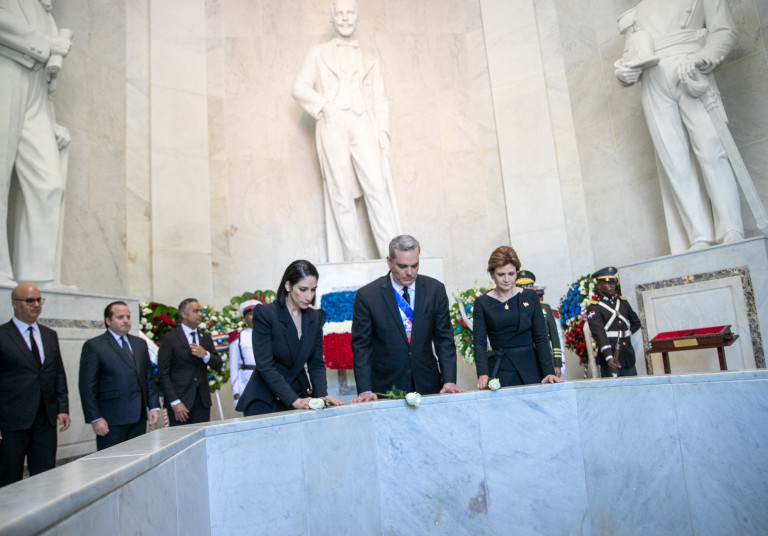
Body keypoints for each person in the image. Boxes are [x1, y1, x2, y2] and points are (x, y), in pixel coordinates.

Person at [614, 0, 745, 249]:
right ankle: (699, 235)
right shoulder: (636, 12)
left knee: (712, 151)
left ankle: (730, 228)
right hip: (652, 80)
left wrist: (702, 58)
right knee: (674, 162)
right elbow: (632, 54)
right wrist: (624, 73)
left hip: (690, 70)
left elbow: (724, 30)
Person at [292, 0, 401, 262]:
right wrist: (325, 107)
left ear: (357, 18)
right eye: (339, 13)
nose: (344, 18)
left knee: (377, 187)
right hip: (333, 123)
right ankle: (355, 258)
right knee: (340, 192)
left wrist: (383, 132)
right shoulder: (317, 53)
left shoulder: (370, 60)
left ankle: (395, 258)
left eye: (349, 13)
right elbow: (299, 87)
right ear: (333, 18)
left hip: (363, 123)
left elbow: (380, 99)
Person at [0, 0, 73, 286]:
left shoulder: (46, 13)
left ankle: (37, 278)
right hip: (5, 67)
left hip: (37, 88)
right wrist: (47, 44)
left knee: (49, 183)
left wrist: (51, 121)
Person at [350, 235, 465, 402]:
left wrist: (449, 380)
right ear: (389, 262)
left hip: (428, 384)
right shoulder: (368, 296)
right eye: (402, 266)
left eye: (414, 265)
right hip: (386, 387)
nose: (410, 272)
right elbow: (362, 347)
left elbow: (444, 339)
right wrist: (365, 389)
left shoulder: (435, 290)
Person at [236, 261, 342, 415]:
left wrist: (321, 396)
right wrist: (294, 400)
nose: (309, 296)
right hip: (266, 398)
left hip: (300, 392)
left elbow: (316, 363)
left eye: (313, 290)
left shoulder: (316, 317)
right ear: (288, 285)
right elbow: (265, 365)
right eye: (303, 289)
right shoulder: (266, 314)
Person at [0, 283, 69, 486]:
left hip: (45, 419)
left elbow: (58, 373)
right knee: (9, 477)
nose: (36, 304)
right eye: (30, 300)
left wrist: (62, 407)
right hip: (12, 420)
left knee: (45, 477)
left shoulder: (49, 335)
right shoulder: (2, 335)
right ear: (14, 304)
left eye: (39, 300)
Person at [472, 247, 563, 389]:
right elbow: (479, 343)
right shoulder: (482, 302)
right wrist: (483, 373)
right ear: (492, 274)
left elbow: (540, 337)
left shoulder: (530, 296)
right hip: (500, 368)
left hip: (531, 366)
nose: (507, 279)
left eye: (511, 274)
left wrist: (549, 372)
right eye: (501, 274)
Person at [78, 301, 161, 451]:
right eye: (120, 317)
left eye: (128, 317)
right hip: (111, 420)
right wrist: (96, 418)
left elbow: (148, 377)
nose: (126, 321)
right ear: (108, 321)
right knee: (112, 460)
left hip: (138, 417)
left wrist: (154, 406)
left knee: (137, 458)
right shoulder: (95, 346)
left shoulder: (139, 344)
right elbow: (87, 386)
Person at [157, 298, 223, 426]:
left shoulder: (205, 337)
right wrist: (175, 402)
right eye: (196, 311)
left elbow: (218, 364)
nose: (200, 314)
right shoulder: (170, 338)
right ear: (184, 314)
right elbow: (163, 373)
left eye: (201, 311)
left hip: (202, 402)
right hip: (180, 402)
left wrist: (206, 355)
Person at [586, 266, 642, 377]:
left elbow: (636, 322)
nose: (612, 285)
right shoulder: (595, 307)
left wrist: (627, 333)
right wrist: (609, 358)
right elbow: (599, 334)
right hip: (610, 361)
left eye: (613, 282)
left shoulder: (622, 302)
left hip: (628, 359)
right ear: (599, 286)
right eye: (608, 283)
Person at [515, 270, 564, 377]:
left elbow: (554, 338)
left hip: (545, 358)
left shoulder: (545, 308)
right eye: (521, 286)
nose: (525, 288)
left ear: (534, 287)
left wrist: (557, 363)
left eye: (528, 285)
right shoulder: (513, 307)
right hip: (523, 358)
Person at [228, 299, 261, 409]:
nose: (254, 316)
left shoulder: (269, 334)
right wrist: (236, 393)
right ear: (244, 318)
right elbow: (233, 367)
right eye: (250, 314)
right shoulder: (238, 337)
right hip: (247, 381)